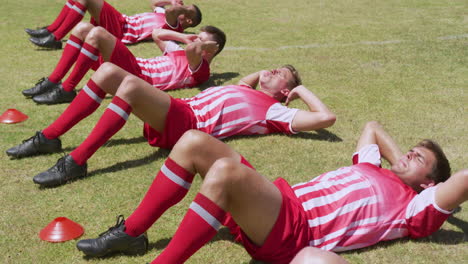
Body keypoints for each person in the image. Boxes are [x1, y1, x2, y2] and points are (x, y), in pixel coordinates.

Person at [75, 122, 466, 263]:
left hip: (296, 230)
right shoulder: (370, 166)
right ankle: (132, 234)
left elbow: (461, 180)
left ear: (431, 185)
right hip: (273, 203)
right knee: (194, 141)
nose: (410, 153)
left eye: (420, 159)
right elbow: (373, 127)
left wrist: (416, 184)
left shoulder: (415, 208)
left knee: (226, 170)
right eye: (412, 150)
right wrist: (404, 164)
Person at [6, 64, 336, 187]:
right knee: (107, 72)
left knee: (131, 87)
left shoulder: (275, 112)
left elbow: (325, 119)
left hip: (188, 125)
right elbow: (247, 82)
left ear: (283, 91)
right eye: (275, 69)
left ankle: (76, 162)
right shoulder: (248, 90)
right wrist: (265, 75)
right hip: (177, 111)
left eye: (281, 75)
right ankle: (49, 138)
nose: (273, 71)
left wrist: (299, 91)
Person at [22, 24, 224, 105]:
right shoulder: (180, 52)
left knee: (98, 33)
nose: (196, 40)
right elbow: (157, 34)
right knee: (83, 29)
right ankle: (55, 81)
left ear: (209, 50)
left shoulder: (202, 69)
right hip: (131, 67)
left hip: (137, 77)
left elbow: (192, 51)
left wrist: (201, 46)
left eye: (202, 40)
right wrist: (184, 36)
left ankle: (66, 90)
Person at [27, 0, 201, 49]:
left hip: (122, 30)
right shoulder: (165, 15)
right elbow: (154, 3)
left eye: (187, 10)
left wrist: (179, 6)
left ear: (188, 21)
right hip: (121, 22)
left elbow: (171, 11)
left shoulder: (173, 26)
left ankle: (54, 37)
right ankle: (50, 31)